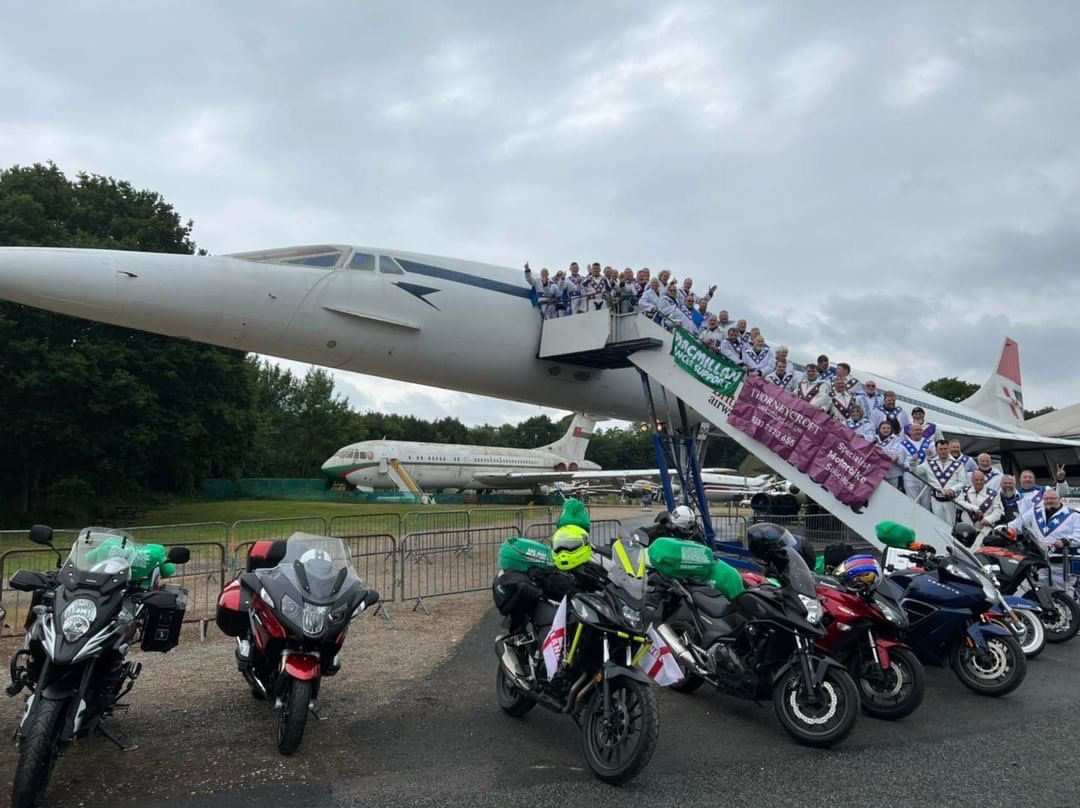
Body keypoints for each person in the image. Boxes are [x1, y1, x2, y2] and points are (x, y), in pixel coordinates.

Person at [1007, 489, 1080, 586]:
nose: (1049, 501)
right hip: (1041, 562)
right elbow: (1018, 523)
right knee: (1042, 593)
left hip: (1063, 564)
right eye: (1046, 498)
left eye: (1053, 498)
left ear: (1060, 499)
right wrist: (1007, 529)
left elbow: (1078, 535)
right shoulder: (1035, 512)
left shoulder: (1074, 515)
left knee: (1065, 595)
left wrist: (1065, 541)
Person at [910, 438, 969, 524]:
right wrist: (914, 462)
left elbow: (963, 482)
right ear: (936, 450)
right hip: (935, 499)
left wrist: (952, 489)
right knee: (937, 523)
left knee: (950, 524)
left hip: (950, 500)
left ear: (948, 449)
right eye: (941, 449)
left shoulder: (958, 464)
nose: (943, 451)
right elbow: (916, 472)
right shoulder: (929, 463)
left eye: (945, 449)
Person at [956, 470, 1003, 546]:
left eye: (981, 480)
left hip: (984, 530)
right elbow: (958, 503)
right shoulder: (964, 491)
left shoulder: (993, 494)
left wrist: (988, 519)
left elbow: (998, 511)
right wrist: (975, 508)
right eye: (976, 480)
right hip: (965, 530)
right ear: (972, 480)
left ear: (985, 480)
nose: (979, 482)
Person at [900, 422, 933, 509]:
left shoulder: (930, 443)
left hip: (925, 476)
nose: (918, 432)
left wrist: (931, 455)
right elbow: (901, 461)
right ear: (910, 432)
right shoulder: (903, 444)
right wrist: (911, 462)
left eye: (920, 430)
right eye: (915, 430)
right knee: (912, 502)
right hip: (910, 476)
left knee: (926, 503)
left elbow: (934, 459)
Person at [875, 421, 907, 489]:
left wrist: (881, 449)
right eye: (883, 428)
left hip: (893, 473)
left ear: (891, 429)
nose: (886, 430)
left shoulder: (897, 439)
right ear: (879, 429)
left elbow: (896, 454)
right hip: (877, 472)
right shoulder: (874, 438)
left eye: (888, 428)